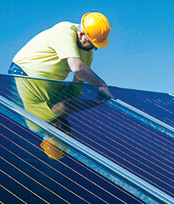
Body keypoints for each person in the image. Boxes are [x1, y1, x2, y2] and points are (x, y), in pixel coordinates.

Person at [8, 12, 113, 159]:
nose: (69, 127)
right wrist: (99, 91)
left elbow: (70, 96)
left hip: (24, 74)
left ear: (54, 132)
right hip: (39, 77)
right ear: (82, 34)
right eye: (93, 44)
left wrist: (97, 97)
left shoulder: (36, 124)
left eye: (67, 131)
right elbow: (77, 75)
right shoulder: (64, 31)